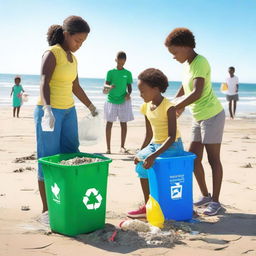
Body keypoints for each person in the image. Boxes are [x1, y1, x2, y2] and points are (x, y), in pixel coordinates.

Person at [34, 16, 98, 213]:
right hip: (50, 112)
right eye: (77, 40)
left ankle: (65, 200)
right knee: (48, 158)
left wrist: (91, 106)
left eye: (83, 42)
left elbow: (75, 86)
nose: (79, 45)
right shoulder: (52, 53)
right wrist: (47, 110)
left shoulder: (73, 58)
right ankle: (47, 210)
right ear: (65, 34)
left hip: (69, 112)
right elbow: (44, 82)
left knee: (71, 155)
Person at [165, 28, 225, 216]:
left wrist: (176, 108)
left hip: (212, 115)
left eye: (174, 52)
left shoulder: (201, 62)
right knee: (193, 159)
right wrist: (172, 103)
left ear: (186, 47)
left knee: (213, 159)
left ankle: (216, 202)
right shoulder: (187, 65)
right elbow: (185, 89)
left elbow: (197, 92)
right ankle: (206, 196)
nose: (173, 57)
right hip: (198, 117)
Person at [127, 68, 184, 218]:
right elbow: (149, 134)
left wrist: (152, 156)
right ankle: (148, 207)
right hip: (155, 144)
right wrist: (140, 153)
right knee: (140, 164)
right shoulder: (145, 107)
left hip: (172, 145)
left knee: (152, 164)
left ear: (156, 89)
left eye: (143, 91)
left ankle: (158, 204)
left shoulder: (169, 107)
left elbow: (171, 136)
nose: (140, 95)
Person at [103, 51, 134, 154]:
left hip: (123, 101)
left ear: (125, 61)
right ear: (115, 60)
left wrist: (128, 94)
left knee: (123, 123)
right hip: (111, 101)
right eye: (119, 61)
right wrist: (109, 87)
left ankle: (122, 146)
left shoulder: (128, 73)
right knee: (109, 123)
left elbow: (129, 88)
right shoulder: (110, 72)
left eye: (123, 61)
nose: (121, 63)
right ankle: (108, 148)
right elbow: (105, 88)